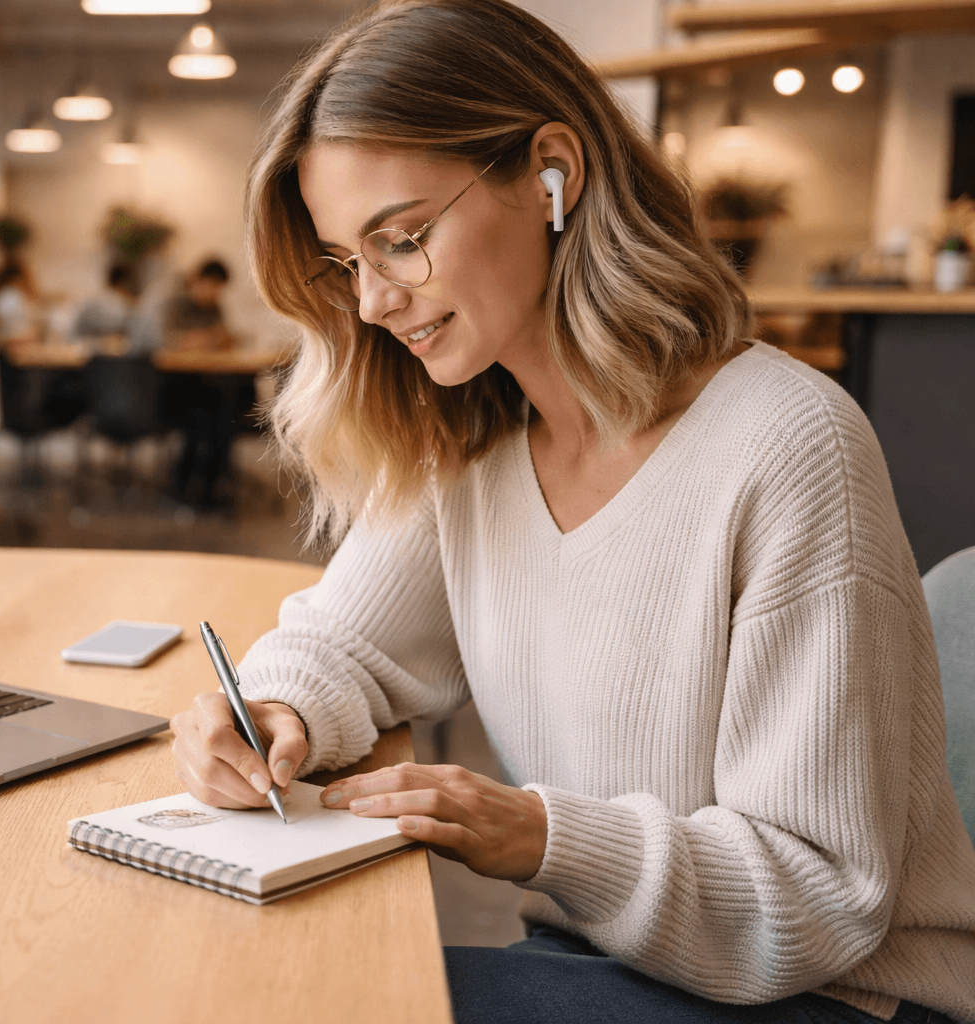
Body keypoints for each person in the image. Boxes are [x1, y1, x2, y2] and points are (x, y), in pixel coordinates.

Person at [168, 2, 975, 1023]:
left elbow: (818, 894)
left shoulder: (786, 445)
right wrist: (273, 713)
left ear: (553, 172)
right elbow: (346, 644)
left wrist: (543, 837)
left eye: (402, 239)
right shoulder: (475, 439)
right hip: (608, 961)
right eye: (347, 261)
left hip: (830, 996)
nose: (371, 302)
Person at [161, 258, 255, 508]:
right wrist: (205, 339)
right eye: (211, 286)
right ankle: (194, 482)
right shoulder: (176, 304)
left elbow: (223, 338)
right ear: (197, 280)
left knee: (225, 408)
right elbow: (169, 341)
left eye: (219, 288)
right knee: (209, 414)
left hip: (207, 383)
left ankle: (215, 481)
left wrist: (216, 339)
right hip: (176, 387)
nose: (215, 293)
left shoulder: (214, 307)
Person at [72, 262, 141, 348]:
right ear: (124, 282)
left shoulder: (93, 299)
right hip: (104, 351)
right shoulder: (118, 303)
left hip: (85, 349)